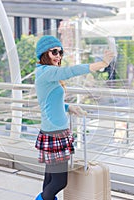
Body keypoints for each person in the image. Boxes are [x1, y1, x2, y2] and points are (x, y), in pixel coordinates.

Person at [34, 35, 114, 200]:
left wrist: (68, 107)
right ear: (43, 54)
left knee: (50, 178)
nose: (58, 56)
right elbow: (71, 71)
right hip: (54, 134)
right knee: (60, 182)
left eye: (60, 52)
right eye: (54, 52)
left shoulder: (46, 73)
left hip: (55, 132)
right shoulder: (47, 72)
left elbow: (48, 102)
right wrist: (102, 64)